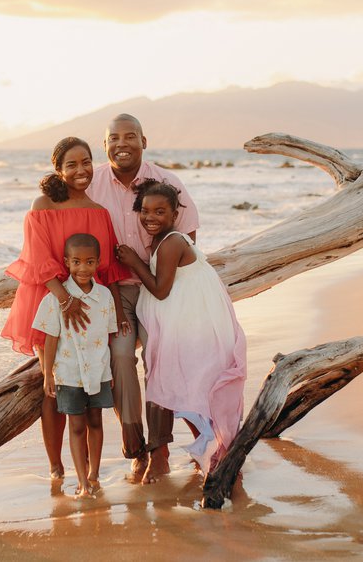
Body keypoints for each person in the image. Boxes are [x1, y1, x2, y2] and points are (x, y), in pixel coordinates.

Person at [1, 137, 129, 480]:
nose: (81, 170)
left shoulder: (99, 212)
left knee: (87, 379)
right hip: (50, 299)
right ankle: (56, 465)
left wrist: (117, 312)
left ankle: (89, 470)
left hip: (88, 306)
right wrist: (64, 299)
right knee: (54, 381)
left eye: (86, 162)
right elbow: (39, 259)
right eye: (71, 164)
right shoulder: (42, 204)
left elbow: (106, 271)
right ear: (58, 169)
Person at [86, 113, 199, 483]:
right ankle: (135, 448)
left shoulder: (166, 181)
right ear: (104, 145)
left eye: (130, 136)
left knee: (159, 362)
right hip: (112, 294)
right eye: (114, 138)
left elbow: (187, 238)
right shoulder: (91, 184)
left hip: (158, 290)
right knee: (119, 358)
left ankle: (160, 451)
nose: (122, 144)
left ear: (143, 141)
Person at [116, 180, 246, 475]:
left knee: (194, 388)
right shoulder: (166, 240)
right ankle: (212, 446)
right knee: (191, 389)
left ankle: (218, 451)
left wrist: (135, 263)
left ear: (175, 214)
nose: (151, 217)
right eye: (145, 211)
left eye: (160, 211)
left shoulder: (173, 242)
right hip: (193, 320)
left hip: (194, 325)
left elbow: (161, 290)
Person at [35, 233, 117, 498]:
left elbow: (109, 336)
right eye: (77, 262)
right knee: (76, 425)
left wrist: (111, 370)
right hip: (69, 373)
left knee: (96, 421)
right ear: (67, 262)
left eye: (90, 262)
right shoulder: (57, 299)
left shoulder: (104, 296)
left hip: (99, 370)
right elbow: (50, 339)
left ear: (98, 263)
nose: (84, 268)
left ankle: (94, 474)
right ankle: (81, 481)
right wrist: (48, 374)